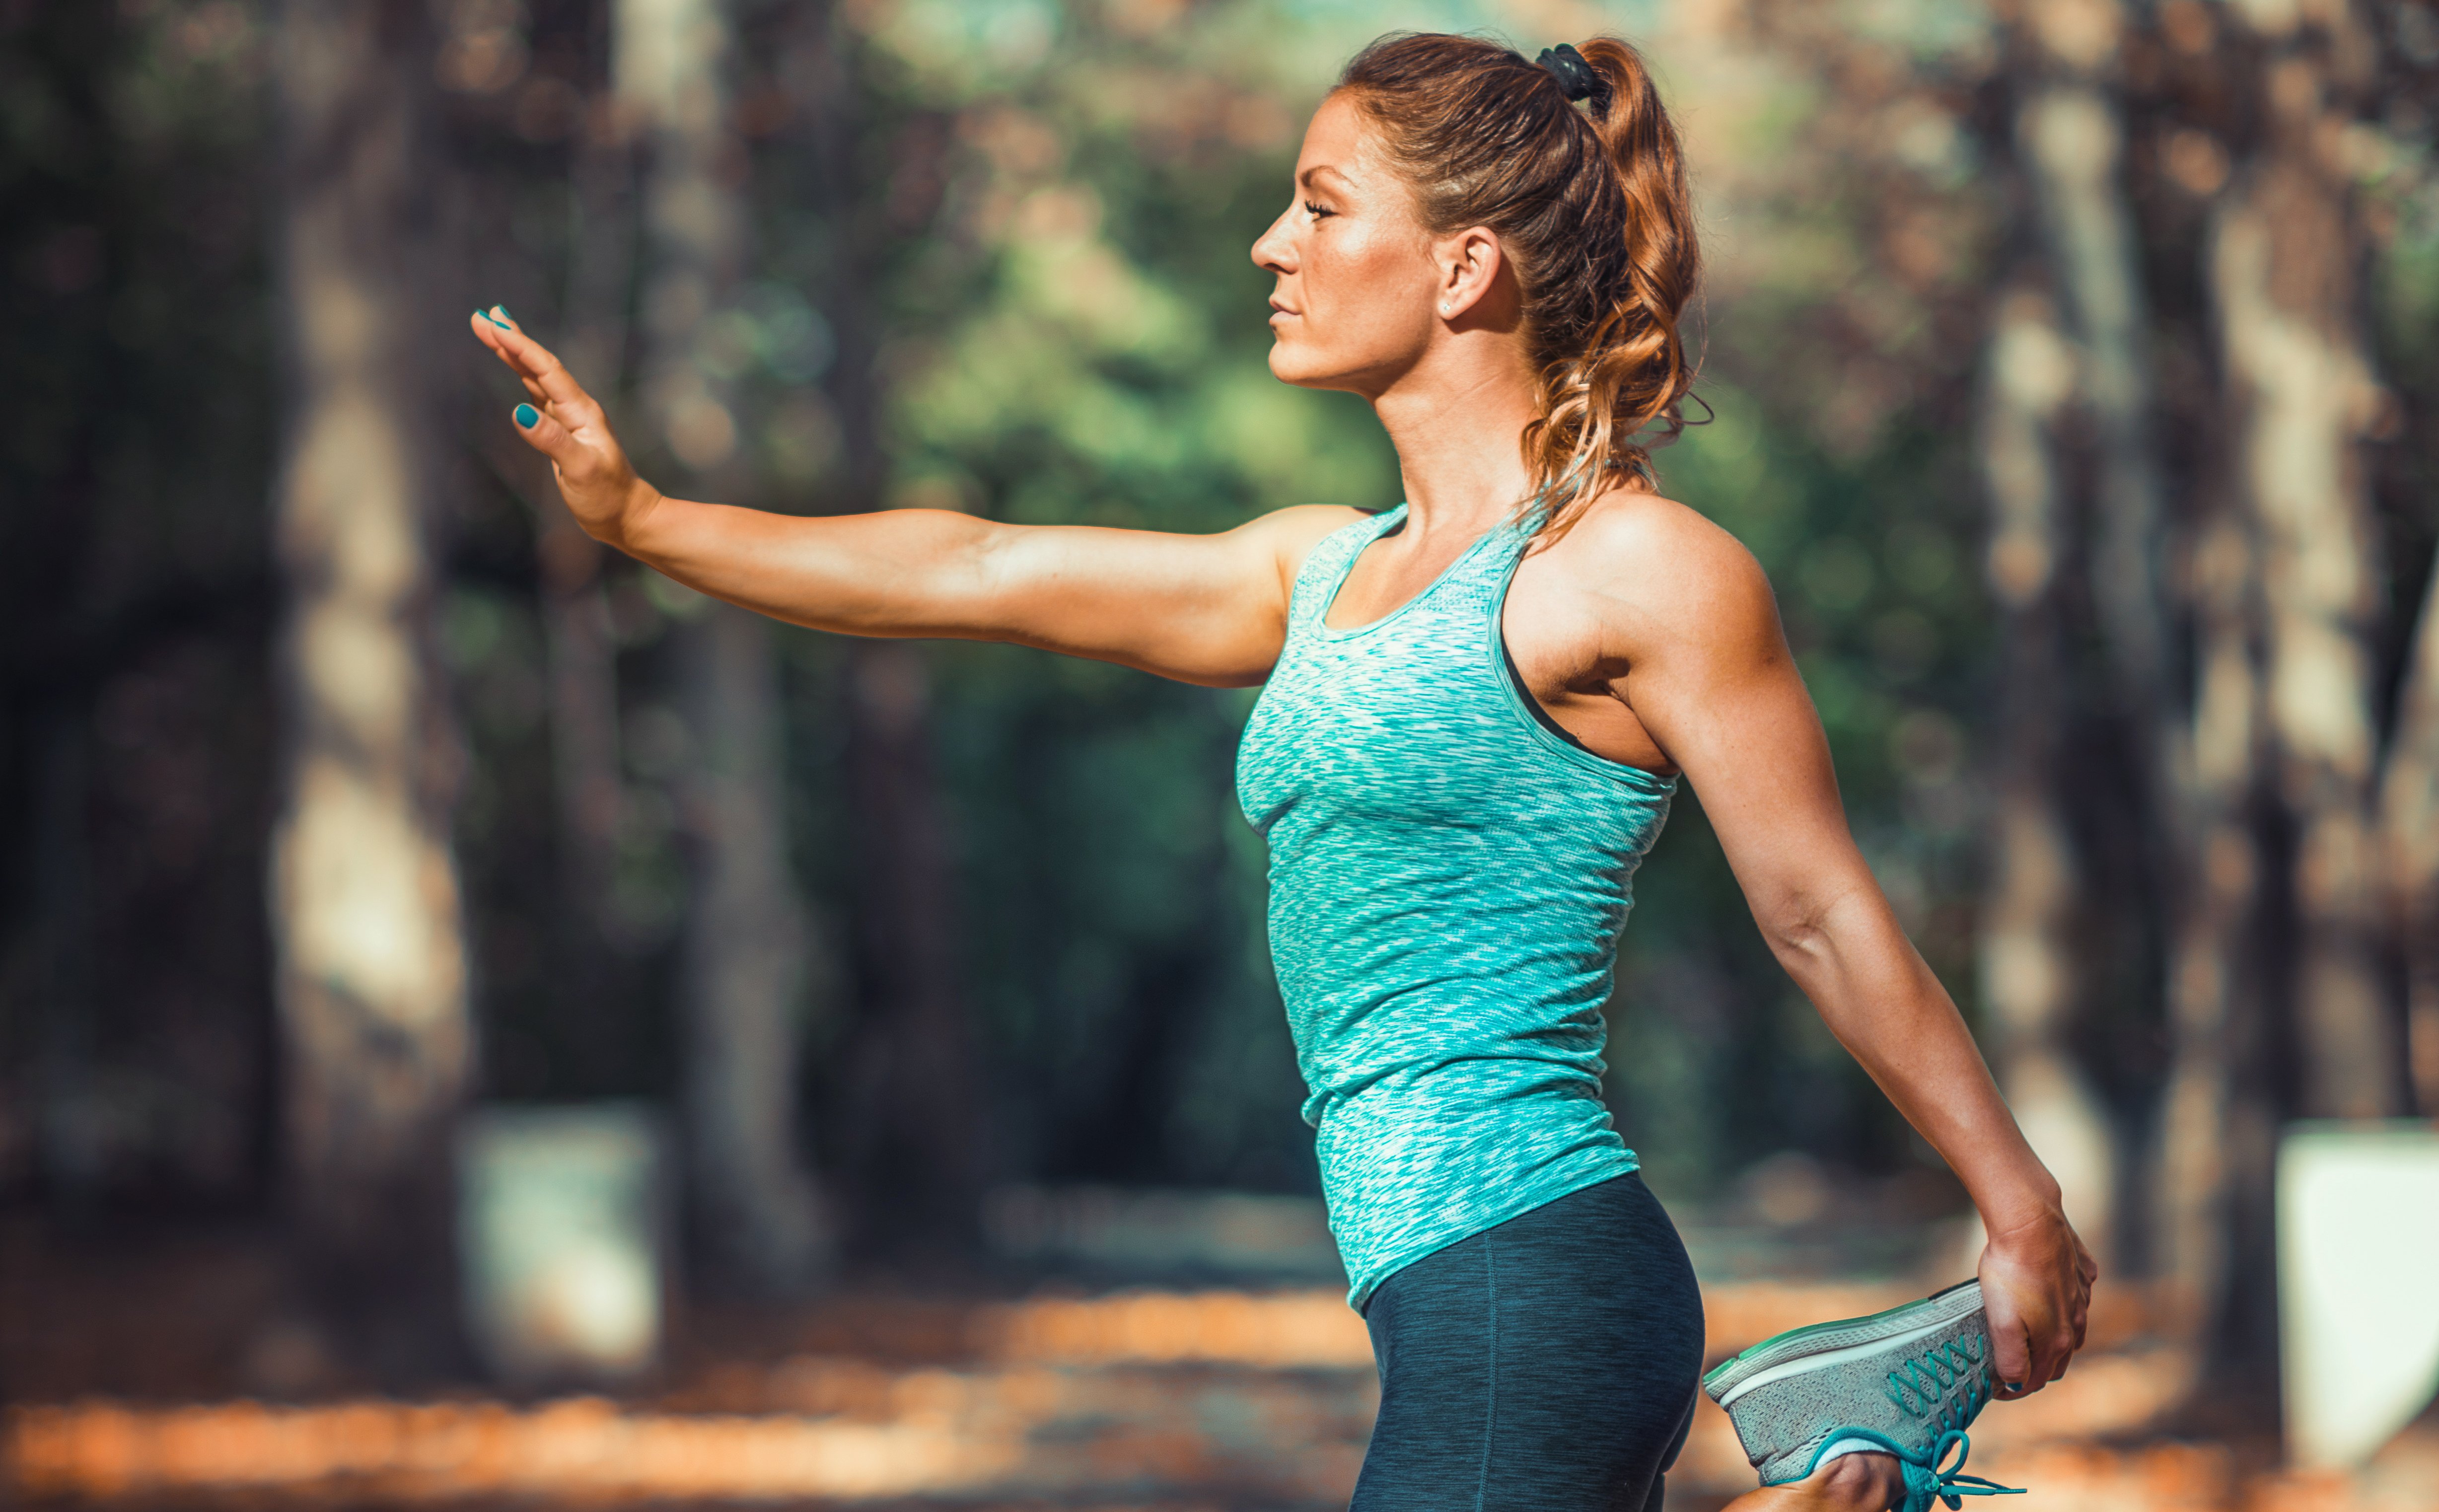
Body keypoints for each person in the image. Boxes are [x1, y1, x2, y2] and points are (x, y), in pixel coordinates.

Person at [471, 31, 2093, 1512]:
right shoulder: (1317, 574)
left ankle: (1839, 1491)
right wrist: (646, 520)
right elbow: (976, 567)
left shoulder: (1635, 574)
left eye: (1321, 207)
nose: (1272, 244)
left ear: (1463, 268)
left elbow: (1817, 911)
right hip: (1442, 1288)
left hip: (1530, 1271)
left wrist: (2017, 1203)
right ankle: (1839, 1484)